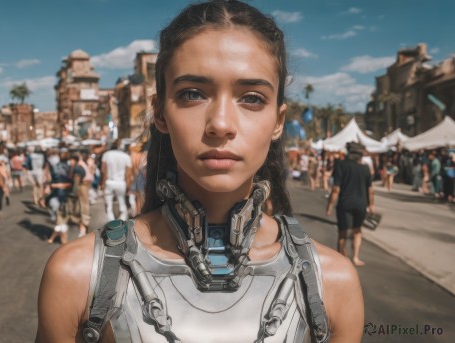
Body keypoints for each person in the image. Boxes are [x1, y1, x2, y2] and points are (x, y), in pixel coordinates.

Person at [36, 2, 363, 342]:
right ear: (160, 113)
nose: (220, 124)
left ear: (278, 121)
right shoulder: (78, 275)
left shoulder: (333, 282)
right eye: (192, 94)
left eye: (251, 98)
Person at [326, 142, 374, 267]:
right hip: (361, 204)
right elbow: (370, 190)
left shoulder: (341, 165)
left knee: (343, 232)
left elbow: (336, 189)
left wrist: (330, 205)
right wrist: (371, 205)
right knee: (357, 231)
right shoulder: (365, 168)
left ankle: (342, 258)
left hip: (345, 203)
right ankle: (356, 258)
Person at [100, 139, 132, 221]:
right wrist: (128, 186)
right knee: (122, 204)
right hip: (121, 183)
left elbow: (103, 170)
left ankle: (110, 223)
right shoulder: (126, 156)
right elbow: (128, 174)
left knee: (109, 206)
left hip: (109, 182)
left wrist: (102, 183)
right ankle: (122, 223)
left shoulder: (106, 155)